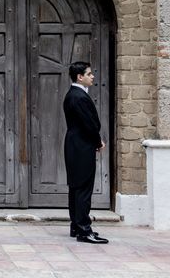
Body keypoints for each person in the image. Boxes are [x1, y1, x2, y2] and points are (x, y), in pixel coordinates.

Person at [63, 61, 109, 244]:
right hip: (81, 146)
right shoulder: (79, 97)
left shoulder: (72, 94)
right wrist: (98, 141)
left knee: (76, 187)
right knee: (82, 189)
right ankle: (84, 230)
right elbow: (89, 124)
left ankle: (76, 226)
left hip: (75, 145)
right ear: (79, 77)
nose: (93, 77)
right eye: (89, 74)